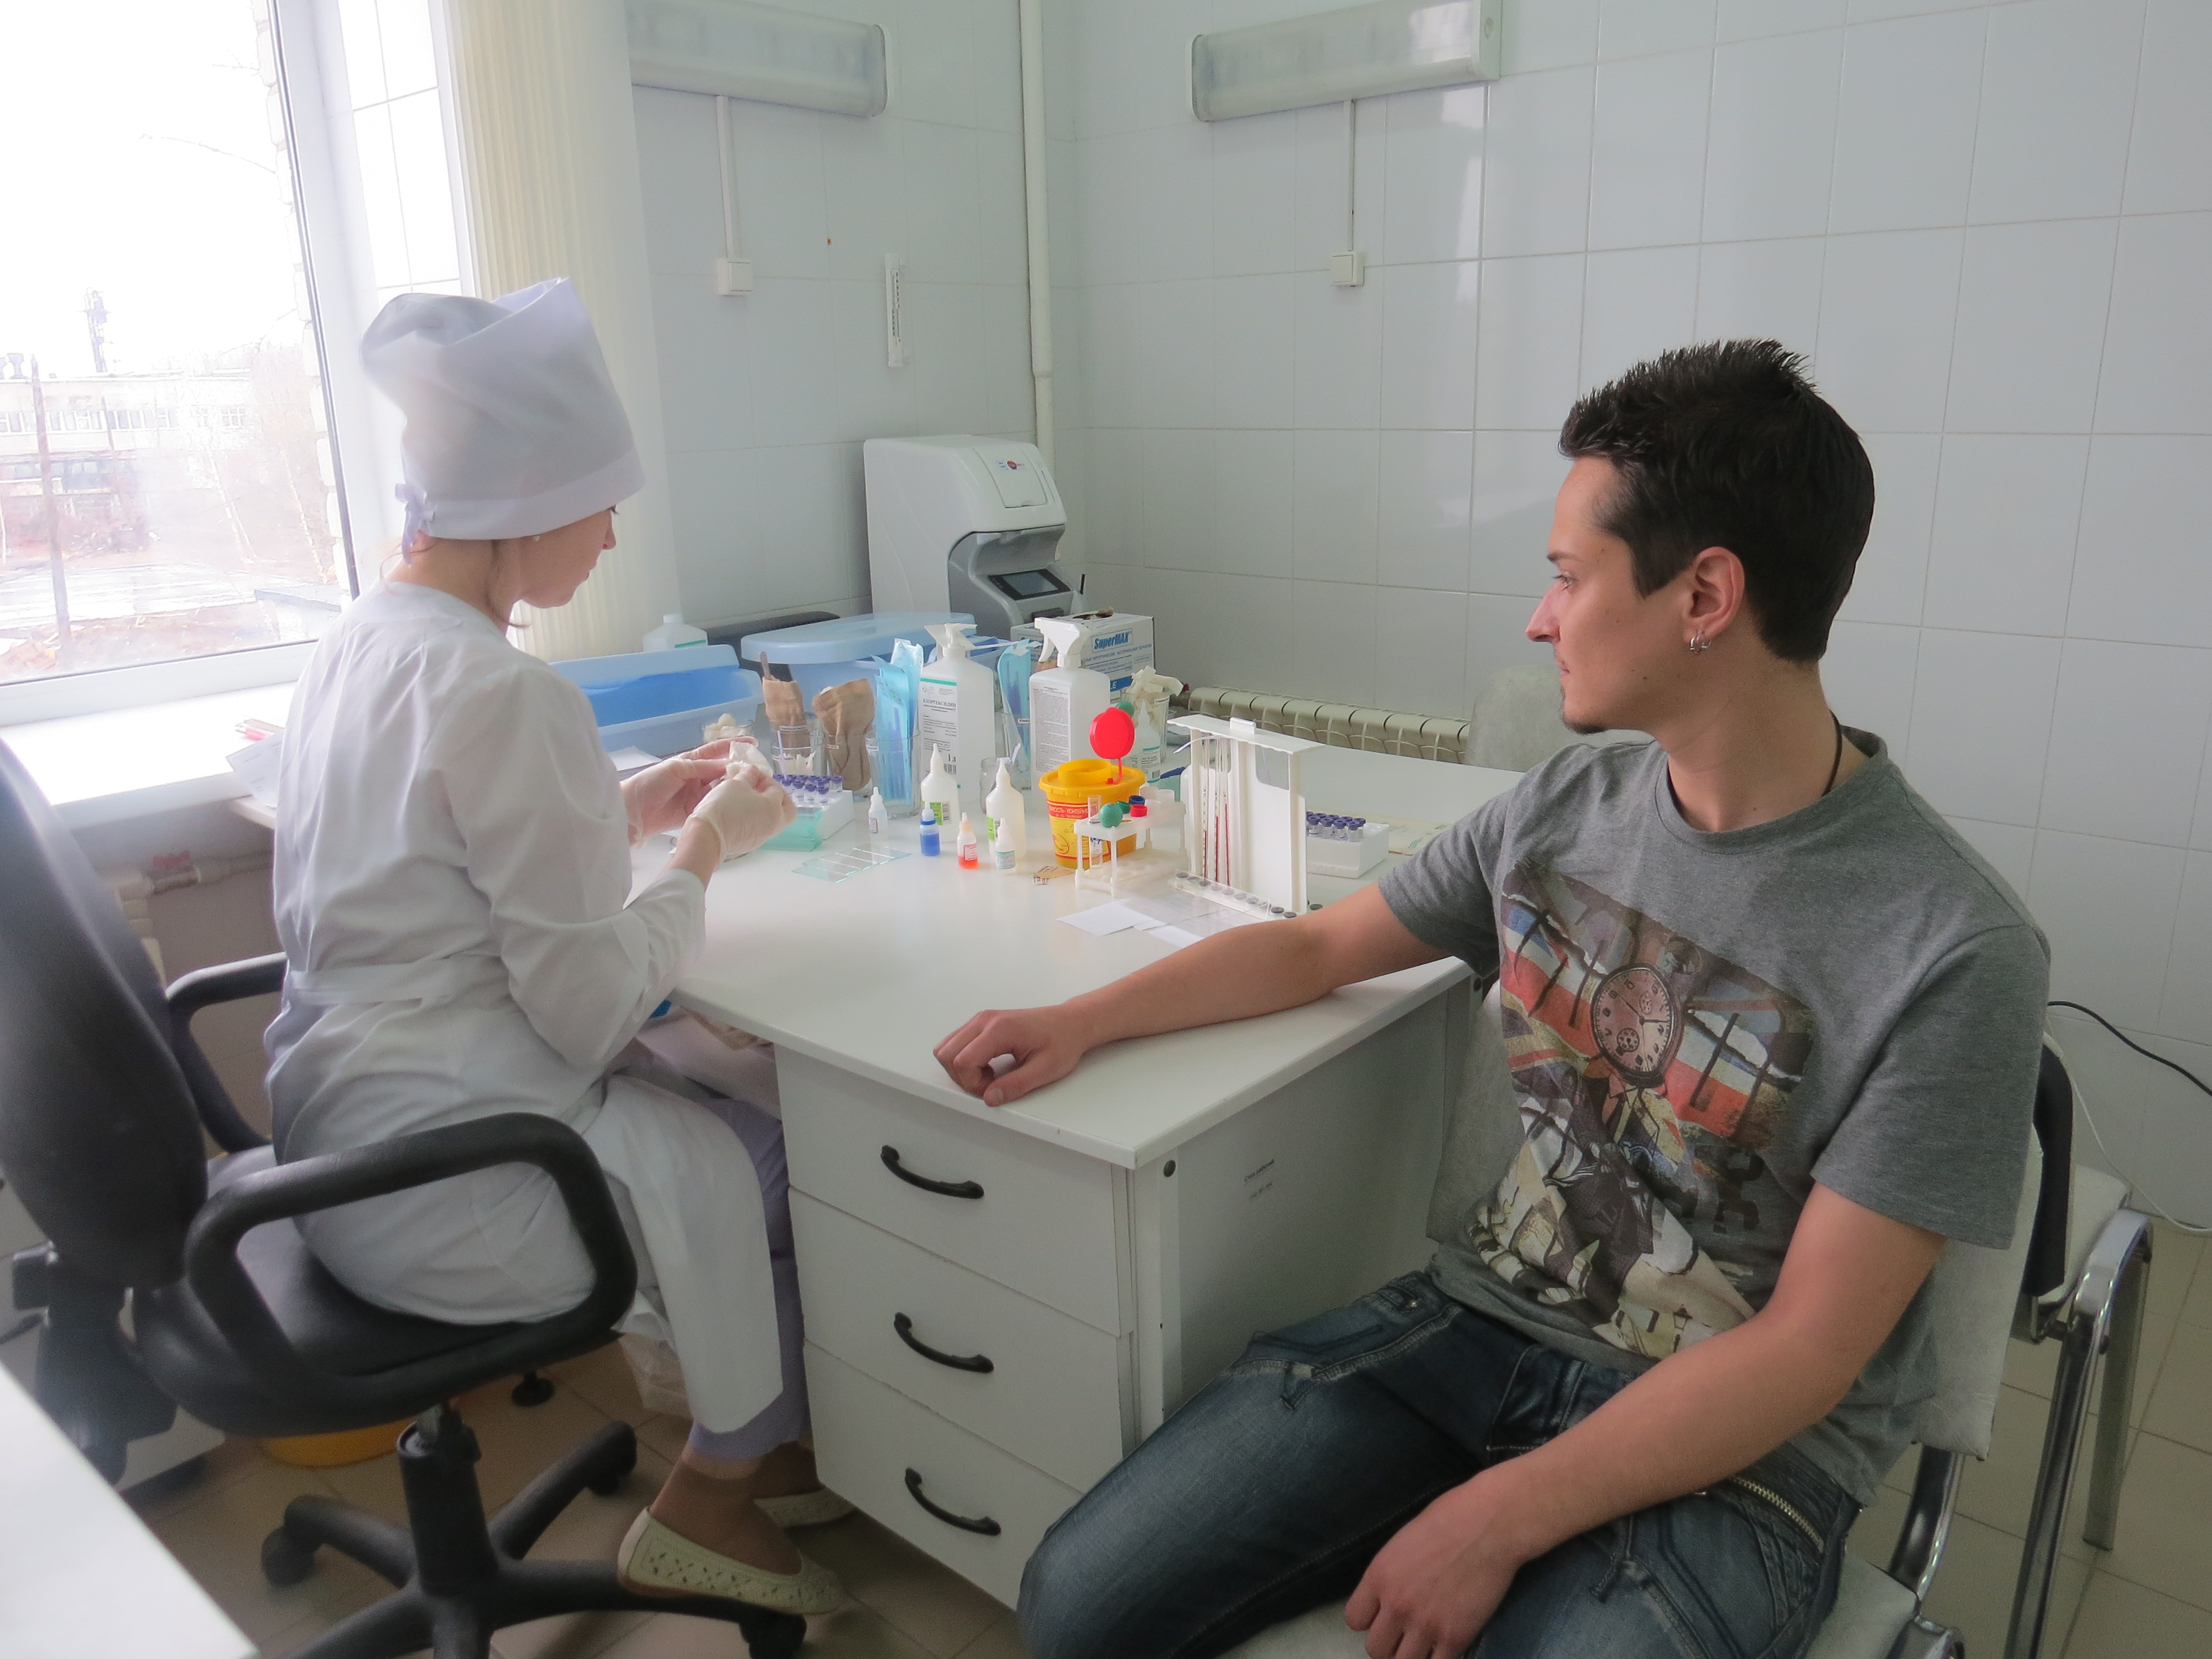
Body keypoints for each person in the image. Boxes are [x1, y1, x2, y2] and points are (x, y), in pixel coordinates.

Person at [934, 341, 2051, 1659]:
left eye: (1568, 577)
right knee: (1077, 1602)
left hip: (1740, 1455)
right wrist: (1079, 1020)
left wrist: (1492, 1519)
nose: (1537, 618)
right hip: (1473, 1336)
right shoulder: (1565, 807)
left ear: (1703, 595)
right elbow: (1313, 950)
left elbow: (1805, 1351)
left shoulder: (1951, 946)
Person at [269, 278, 843, 1616]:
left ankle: (770, 1436)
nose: (610, 535)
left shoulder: (361, 641)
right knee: (799, 1161)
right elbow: (589, 1007)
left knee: (720, 1097)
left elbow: (437, 859)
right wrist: (710, 844)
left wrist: (625, 803)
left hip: (337, 1151)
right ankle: (715, 1490)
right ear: (523, 505)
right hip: (460, 1184)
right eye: (601, 505)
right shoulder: (501, 686)